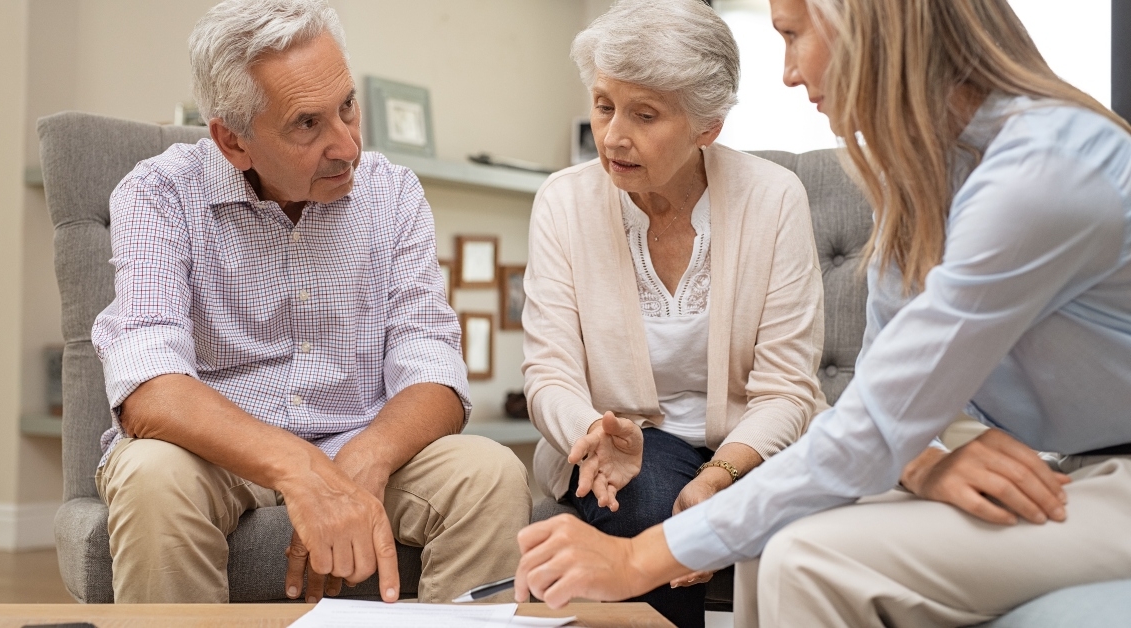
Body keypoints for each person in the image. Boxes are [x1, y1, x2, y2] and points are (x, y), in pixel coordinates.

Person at [514, 0, 1131, 625]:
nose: (786, 73)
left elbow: (865, 415)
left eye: (791, 35)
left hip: (1113, 476)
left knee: (802, 558)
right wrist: (920, 460)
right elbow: (883, 388)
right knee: (774, 541)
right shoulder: (918, 179)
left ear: (864, 26)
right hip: (1067, 466)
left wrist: (641, 559)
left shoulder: (1040, 172)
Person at [92, 0, 530, 604]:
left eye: (347, 106)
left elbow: (434, 369)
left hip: (360, 440)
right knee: (151, 476)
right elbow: (149, 386)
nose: (347, 145)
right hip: (211, 458)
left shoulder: (394, 194)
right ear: (232, 141)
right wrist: (300, 471)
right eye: (307, 124)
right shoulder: (158, 195)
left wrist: (366, 458)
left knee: (490, 474)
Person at [521, 1, 826, 625]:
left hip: (749, 448)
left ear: (706, 126)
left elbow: (787, 390)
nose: (613, 137)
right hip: (619, 449)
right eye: (605, 104)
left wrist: (719, 475)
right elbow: (549, 374)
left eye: (646, 114)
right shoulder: (563, 202)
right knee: (651, 492)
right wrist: (595, 437)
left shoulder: (774, 200)